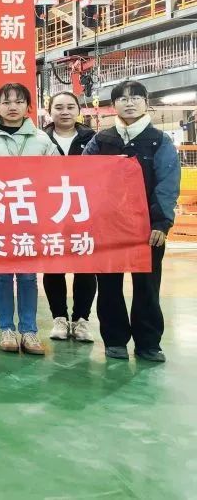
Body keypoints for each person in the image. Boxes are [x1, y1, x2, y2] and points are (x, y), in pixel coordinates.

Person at [84, 80, 181, 363]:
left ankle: (148, 343)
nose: (129, 103)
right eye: (123, 98)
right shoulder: (101, 141)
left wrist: (161, 223)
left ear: (146, 103)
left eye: (136, 97)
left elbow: (167, 184)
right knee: (109, 286)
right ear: (113, 105)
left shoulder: (159, 140)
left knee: (147, 286)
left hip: (147, 230)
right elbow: (85, 179)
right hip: (108, 228)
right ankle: (114, 340)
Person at [0, 83, 58, 356]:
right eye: (6, 102)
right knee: (3, 275)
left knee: (28, 276)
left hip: (30, 217)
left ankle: (29, 331)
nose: (12, 107)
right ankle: (7, 329)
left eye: (19, 102)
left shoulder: (42, 141)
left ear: (28, 106)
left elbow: (57, 176)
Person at [42, 91, 98, 343]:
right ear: (49, 111)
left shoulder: (94, 139)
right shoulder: (40, 139)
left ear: (78, 110)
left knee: (85, 267)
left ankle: (82, 320)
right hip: (49, 211)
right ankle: (59, 319)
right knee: (54, 265)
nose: (64, 112)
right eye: (59, 107)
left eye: (70, 107)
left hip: (84, 211)